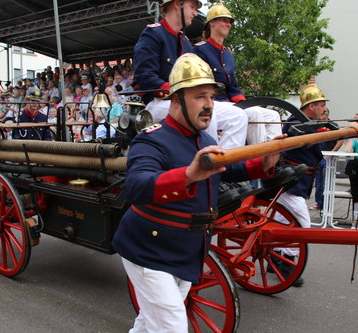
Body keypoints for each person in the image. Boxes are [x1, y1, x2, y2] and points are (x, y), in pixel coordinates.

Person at [112, 53, 281, 333]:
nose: (209, 105)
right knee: (172, 328)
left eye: (212, 97)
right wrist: (189, 173)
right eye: (200, 96)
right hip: (149, 250)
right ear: (176, 100)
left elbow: (227, 168)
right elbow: (137, 186)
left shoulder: (206, 139)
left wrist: (261, 164)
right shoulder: (150, 140)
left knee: (148, 324)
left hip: (187, 250)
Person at [276, 84, 358, 286]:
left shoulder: (309, 122)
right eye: (322, 104)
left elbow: (327, 133)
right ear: (311, 106)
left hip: (298, 182)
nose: (324, 109)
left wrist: (349, 131)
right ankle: (286, 263)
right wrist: (347, 132)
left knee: (280, 221)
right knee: (303, 226)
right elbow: (322, 138)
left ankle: (275, 256)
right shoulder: (295, 123)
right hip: (290, 182)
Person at [132, 0, 248, 148]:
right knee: (205, 113)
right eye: (192, 7)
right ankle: (207, 164)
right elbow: (144, 76)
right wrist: (177, 92)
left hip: (185, 101)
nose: (195, 13)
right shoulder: (153, 34)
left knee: (237, 116)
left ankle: (226, 164)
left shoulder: (185, 42)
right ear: (177, 4)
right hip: (159, 103)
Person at [194, 3, 282, 144]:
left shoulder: (228, 55)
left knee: (273, 115)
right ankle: (257, 160)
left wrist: (244, 102)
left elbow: (233, 86)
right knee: (256, 114)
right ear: (212, 23)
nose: (228, 24)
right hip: (212, 101)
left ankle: (272, 160)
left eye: (230, 22)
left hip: (229, 103)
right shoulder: (200, 50)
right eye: (224, 20)